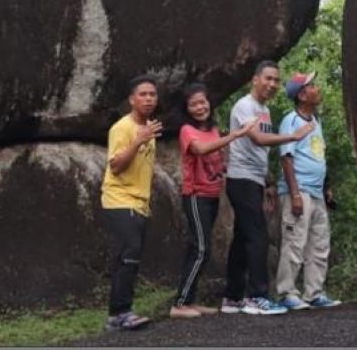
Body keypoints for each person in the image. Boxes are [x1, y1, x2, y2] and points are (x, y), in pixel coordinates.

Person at [222, 60, 316, 316]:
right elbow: (259, 139)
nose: (273, 84)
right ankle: (257, 296)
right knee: (257, 236)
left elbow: (259, 151)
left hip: (254, 179)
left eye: (276, 80)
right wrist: (293, 137)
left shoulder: (263, 110)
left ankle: (232, 297)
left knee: (243, 238)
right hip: (241, 178)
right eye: (268, 78)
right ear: (255, 79)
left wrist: (268, 183)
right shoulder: (245, 106)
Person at [170, 83, 259, 319]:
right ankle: (179, 304)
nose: (200, 107)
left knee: (199, 250)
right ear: (187, 109)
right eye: (194, 104)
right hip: (195, 195)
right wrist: (236, 134)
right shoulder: (187, 130)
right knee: (201, 249)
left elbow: (219, 162)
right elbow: (200, 150)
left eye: (203, 101)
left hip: (212, 195)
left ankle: (189, 300)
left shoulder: (213, 130)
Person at [101, 74, 164, 330]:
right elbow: (115, 166)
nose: (148, 99)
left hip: (139, 202)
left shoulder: (151, 127)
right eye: (143, 94)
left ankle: (121, 312)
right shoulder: (123, 128)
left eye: (152, 95)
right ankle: (119, 314)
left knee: (130, 257)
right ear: (131, 99)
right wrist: (139, 140)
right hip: (119, 199)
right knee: (128, 257)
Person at [275, 72, 341, 310]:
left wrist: (326, 187)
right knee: (295, 242)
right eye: (312, 85)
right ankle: (287, 292)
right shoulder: (290, 120)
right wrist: (294, 194)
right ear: (302, 94)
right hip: (299, 189)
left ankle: (314, 292)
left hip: (316, 192)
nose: (317, 88)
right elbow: (286, 157)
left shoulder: (316, 121)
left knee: (319, 242)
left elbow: (318, 154)